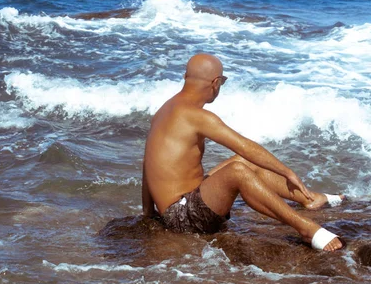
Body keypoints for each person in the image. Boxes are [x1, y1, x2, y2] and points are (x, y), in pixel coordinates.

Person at [142, 54, 344, 251]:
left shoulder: (164, 110)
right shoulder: (196, 116)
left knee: (243, 162)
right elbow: (244, 145)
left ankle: (309, 199)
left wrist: (149, 213)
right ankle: (307, 229)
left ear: (186, 77)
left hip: (177, 209)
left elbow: (148, 164)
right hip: (184, 217)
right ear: (216, 82)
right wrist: (287, 172)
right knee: (237, 171)